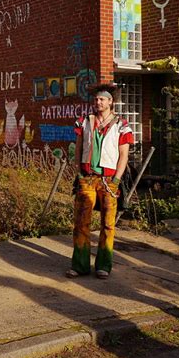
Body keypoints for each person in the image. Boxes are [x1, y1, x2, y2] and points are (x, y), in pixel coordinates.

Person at [67, 83, 134, 280]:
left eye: (102, 99)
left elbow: (124, 156)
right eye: (96, 99)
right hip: (87, 178)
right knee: (81, 223)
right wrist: (79, 172)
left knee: (108, 224)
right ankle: (80, 265)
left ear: (110, 102)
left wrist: (116, 180)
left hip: (109, 181)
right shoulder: (84, 122)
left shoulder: (122, 125)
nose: (98, 102)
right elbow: (78, 149)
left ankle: (104, 265)